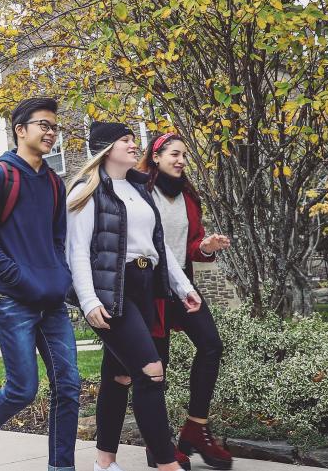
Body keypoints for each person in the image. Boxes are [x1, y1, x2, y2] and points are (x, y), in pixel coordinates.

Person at [66, 121, 200, 471]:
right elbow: (77, 251)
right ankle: (167, 465)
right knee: (151, 371)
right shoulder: (87, 190)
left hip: (145, 287)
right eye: (126, 140)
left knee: (119, 375)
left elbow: (160, 246)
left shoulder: (139, 189)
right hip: (113, 292)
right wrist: (89, 300)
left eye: (133, 139)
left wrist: (184, 287)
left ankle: (104, 463)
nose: (134, 144)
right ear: (107, 148)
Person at [0, 97, 80, 471]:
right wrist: (18, 278)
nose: (50, 133)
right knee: (23, 389)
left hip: (52, 301)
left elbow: (58, 240)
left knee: (69, 388)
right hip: (13, 300)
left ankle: (61, 467)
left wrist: (59, 277)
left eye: (54, 127)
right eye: (43, 125)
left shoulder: (55, 185)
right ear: (20, 130)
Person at [138, 133, 232, 470]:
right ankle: (159, 445)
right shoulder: (141, 192)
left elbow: (190, 246)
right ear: (157, 156)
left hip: (183, 285)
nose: (180, 161)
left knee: (211, 345)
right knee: (156, 368)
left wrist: (206, 246)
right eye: (174, 154)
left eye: (183, 156)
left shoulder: (189, 197)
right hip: (150, 289)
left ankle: (196, 428)